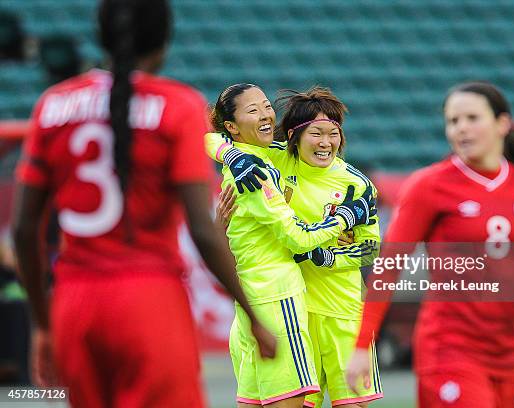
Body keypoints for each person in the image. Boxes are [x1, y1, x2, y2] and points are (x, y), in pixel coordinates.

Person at [10, 1, 275, 407]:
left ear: (101, 36)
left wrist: (43, 325)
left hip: (74, 305)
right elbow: (202, 232)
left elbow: (24, 229)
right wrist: (254, 315)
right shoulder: (179, 105)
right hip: (149, 302)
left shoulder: (53, 105)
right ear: (164, 41)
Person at [346, 81, 514, 408]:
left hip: (506, 354)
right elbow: (388, 267)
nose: (461, 128)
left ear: (502, 124)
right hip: (448, 351)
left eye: (471, 118)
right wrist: (362, 345)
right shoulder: (429, 185)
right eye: (453, 121)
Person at [207, 83, 377, 408]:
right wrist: (339, 222)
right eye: (316, 132)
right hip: (288, 302)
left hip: (342, 312)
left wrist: (329, 256)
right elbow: (209, 135)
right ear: (295, 137)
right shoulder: (275, 162)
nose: (325, 141)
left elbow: (370, 250)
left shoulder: (357, 184)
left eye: (333, 132)